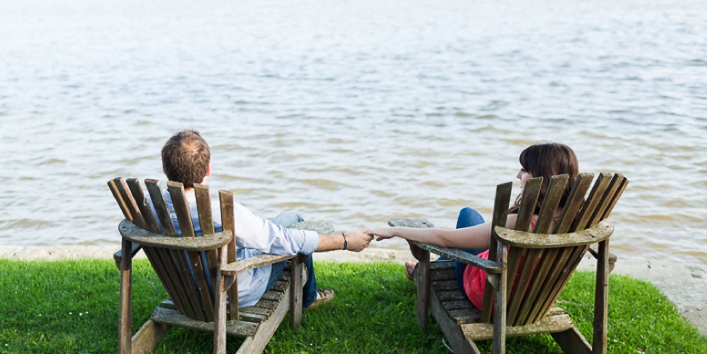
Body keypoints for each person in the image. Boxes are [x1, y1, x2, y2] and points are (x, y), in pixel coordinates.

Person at [161, 130, 373, 310]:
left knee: (290, 218)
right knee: (294, 234)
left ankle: (310, 294)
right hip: (232, 292)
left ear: (165, 168)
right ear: (208, 169)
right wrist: (345, 241)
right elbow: (283, 240)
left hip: (185, 291)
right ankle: (310, 298)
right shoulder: (221, 211)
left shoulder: (151, 205)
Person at [368, 143, 579, 311]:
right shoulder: (577, 219)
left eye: (524, 169)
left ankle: (426, 271)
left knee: (467, 215)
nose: (517, 175)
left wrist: (395, 231)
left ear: (542, 177)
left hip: (489, 296)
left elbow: (444, 239)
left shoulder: (520, 224)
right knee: (474, 222)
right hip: (532, 300)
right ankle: (430, 268)